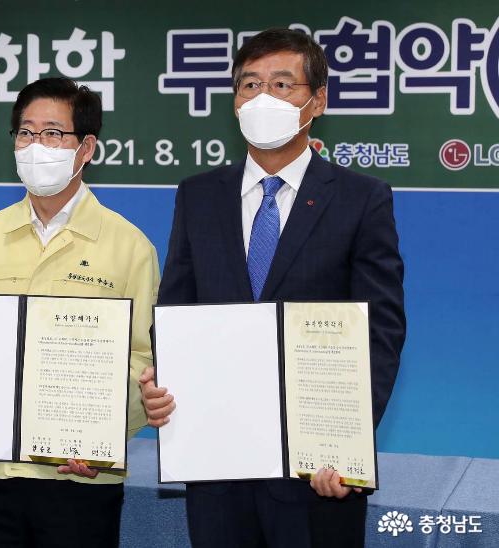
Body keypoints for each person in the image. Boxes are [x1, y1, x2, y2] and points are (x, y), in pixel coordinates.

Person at [140, 28, 406, 548]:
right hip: (216, 468)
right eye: (249, 85)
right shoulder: (197, 196)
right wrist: (162, 382)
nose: (263, 98)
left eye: (282, 85)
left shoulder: (361, 199)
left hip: (317, 476)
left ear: (317, 100)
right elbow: (175, 310)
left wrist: (344, 443)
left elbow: (381, 331)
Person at [0, 77, 160, 547]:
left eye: (52, 134)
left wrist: (101, 436)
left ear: (86, 148)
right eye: (25, 133)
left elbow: (143, 360)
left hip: (80, 476)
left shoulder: (130, 247)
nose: (35, 146)